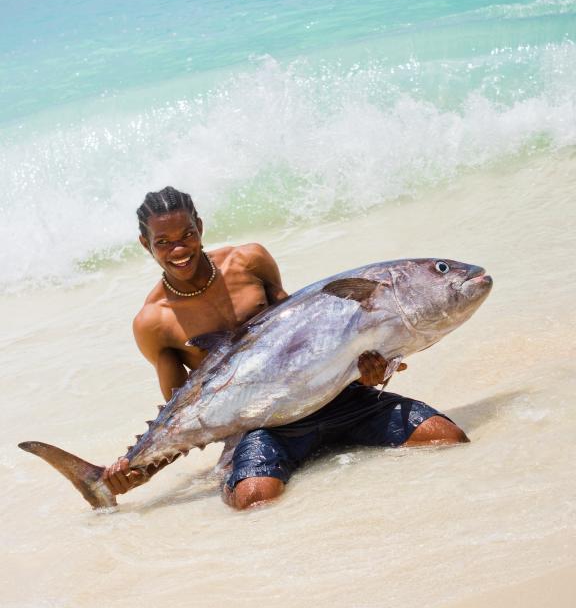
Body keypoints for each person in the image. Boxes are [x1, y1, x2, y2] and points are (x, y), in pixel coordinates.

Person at [104, 187, 467, 509]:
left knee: (447, 437)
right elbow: (184, 410)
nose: (179, 249)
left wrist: (372, 372)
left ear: (199, 226)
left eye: (186, 234)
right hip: (266, 427)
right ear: (145, 243)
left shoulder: (249, 260)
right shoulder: (153, 322)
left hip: (335, 397)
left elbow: (309, 331)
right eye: (163, 242)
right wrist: (139, 470)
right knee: (255, 500)